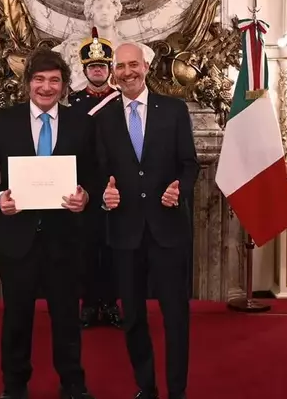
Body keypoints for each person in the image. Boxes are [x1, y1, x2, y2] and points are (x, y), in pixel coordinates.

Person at [0, 48, 97, 399]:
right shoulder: (3, 120)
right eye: (39, 79)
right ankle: (14, 387)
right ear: (27, 83)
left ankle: (73, 384)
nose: (46, 87)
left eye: (54, 80)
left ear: (64, 85)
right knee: (17, 317)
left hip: (65, 238)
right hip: (17, 238)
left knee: (67, 317)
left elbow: (94, 173)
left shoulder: (81, 122)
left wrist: (86, 195)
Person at [94, 42, 199, 399]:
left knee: (175, 317)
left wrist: (180, 189)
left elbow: (189, 165)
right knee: (134, 318)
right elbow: (99, 172)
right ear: (114, 72)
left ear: (146, 67)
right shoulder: (103, 118)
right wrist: (104, 195)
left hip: (168, 231)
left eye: (133, 64)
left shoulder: (173, 110)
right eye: (120, 66)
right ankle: (146, 387)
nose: (127, 72)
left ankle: (177, 391)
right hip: (125, 233)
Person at [68, 27, 123, 329]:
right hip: (85, 185)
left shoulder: (121, 101)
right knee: (86, 250)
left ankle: (111, 304)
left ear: (110, 69)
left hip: (117, 185)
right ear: (85, 69)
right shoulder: (73, 103)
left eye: (102, 66)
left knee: (114, 250)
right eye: (93, 67)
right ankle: (88, 304)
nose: (98, 70)